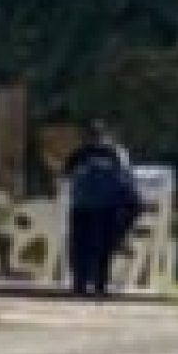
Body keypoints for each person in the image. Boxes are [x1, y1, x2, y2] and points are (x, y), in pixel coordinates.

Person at [63, 120, 138, 296]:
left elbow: (67, 175)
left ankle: (80, 283)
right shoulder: (114, 153)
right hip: (106, 207)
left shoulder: (80, 153)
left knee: (80, 245)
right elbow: (126, 180)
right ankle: (100, 284)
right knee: (104, 247)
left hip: (82, 206)